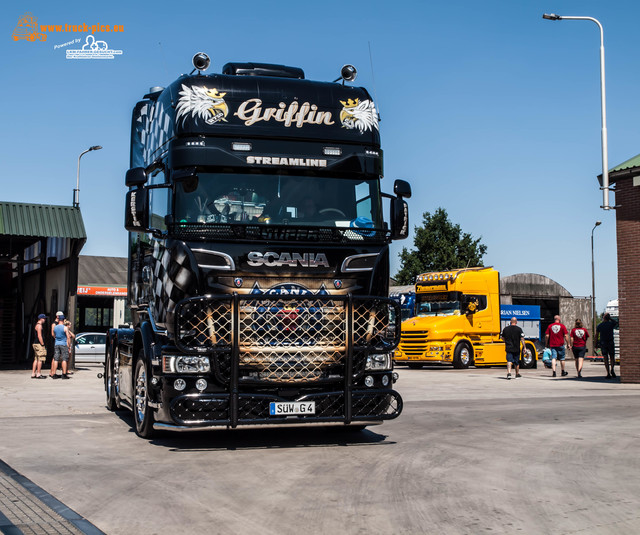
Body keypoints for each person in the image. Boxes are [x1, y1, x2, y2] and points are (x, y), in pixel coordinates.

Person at [50, 311, 71, 379]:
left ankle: (54, 374)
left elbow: (53, 334)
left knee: (56, 359)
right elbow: (68, 337)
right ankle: (64, 374)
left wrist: (56, 338)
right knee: (64, 359)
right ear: (63, 320)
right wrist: (69, 345)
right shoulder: (65, 328)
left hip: (56, 344)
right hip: (63, 344)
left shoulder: (55, 327)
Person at [596, 312, 617, 379]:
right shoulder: (611, 324)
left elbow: (596, 335)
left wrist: (596, 343)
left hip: (603, 343)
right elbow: (616, 322)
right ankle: (612, 369)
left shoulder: (600, 325)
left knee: (605, 358)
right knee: (612, 356)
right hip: (610, 342)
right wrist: (610, 318)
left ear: (603, 318)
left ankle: (608, 373)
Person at [31, 314, 47, 379]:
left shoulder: (36, 325)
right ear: (41, 319)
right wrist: (42, 344)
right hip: (39, 344)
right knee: (40, 359)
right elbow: (39, 336)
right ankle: (38, 373)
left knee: (36, 359)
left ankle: (33, 373)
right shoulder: (39, 326)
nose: (45, 320)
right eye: (44, 319)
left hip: (35, 343)